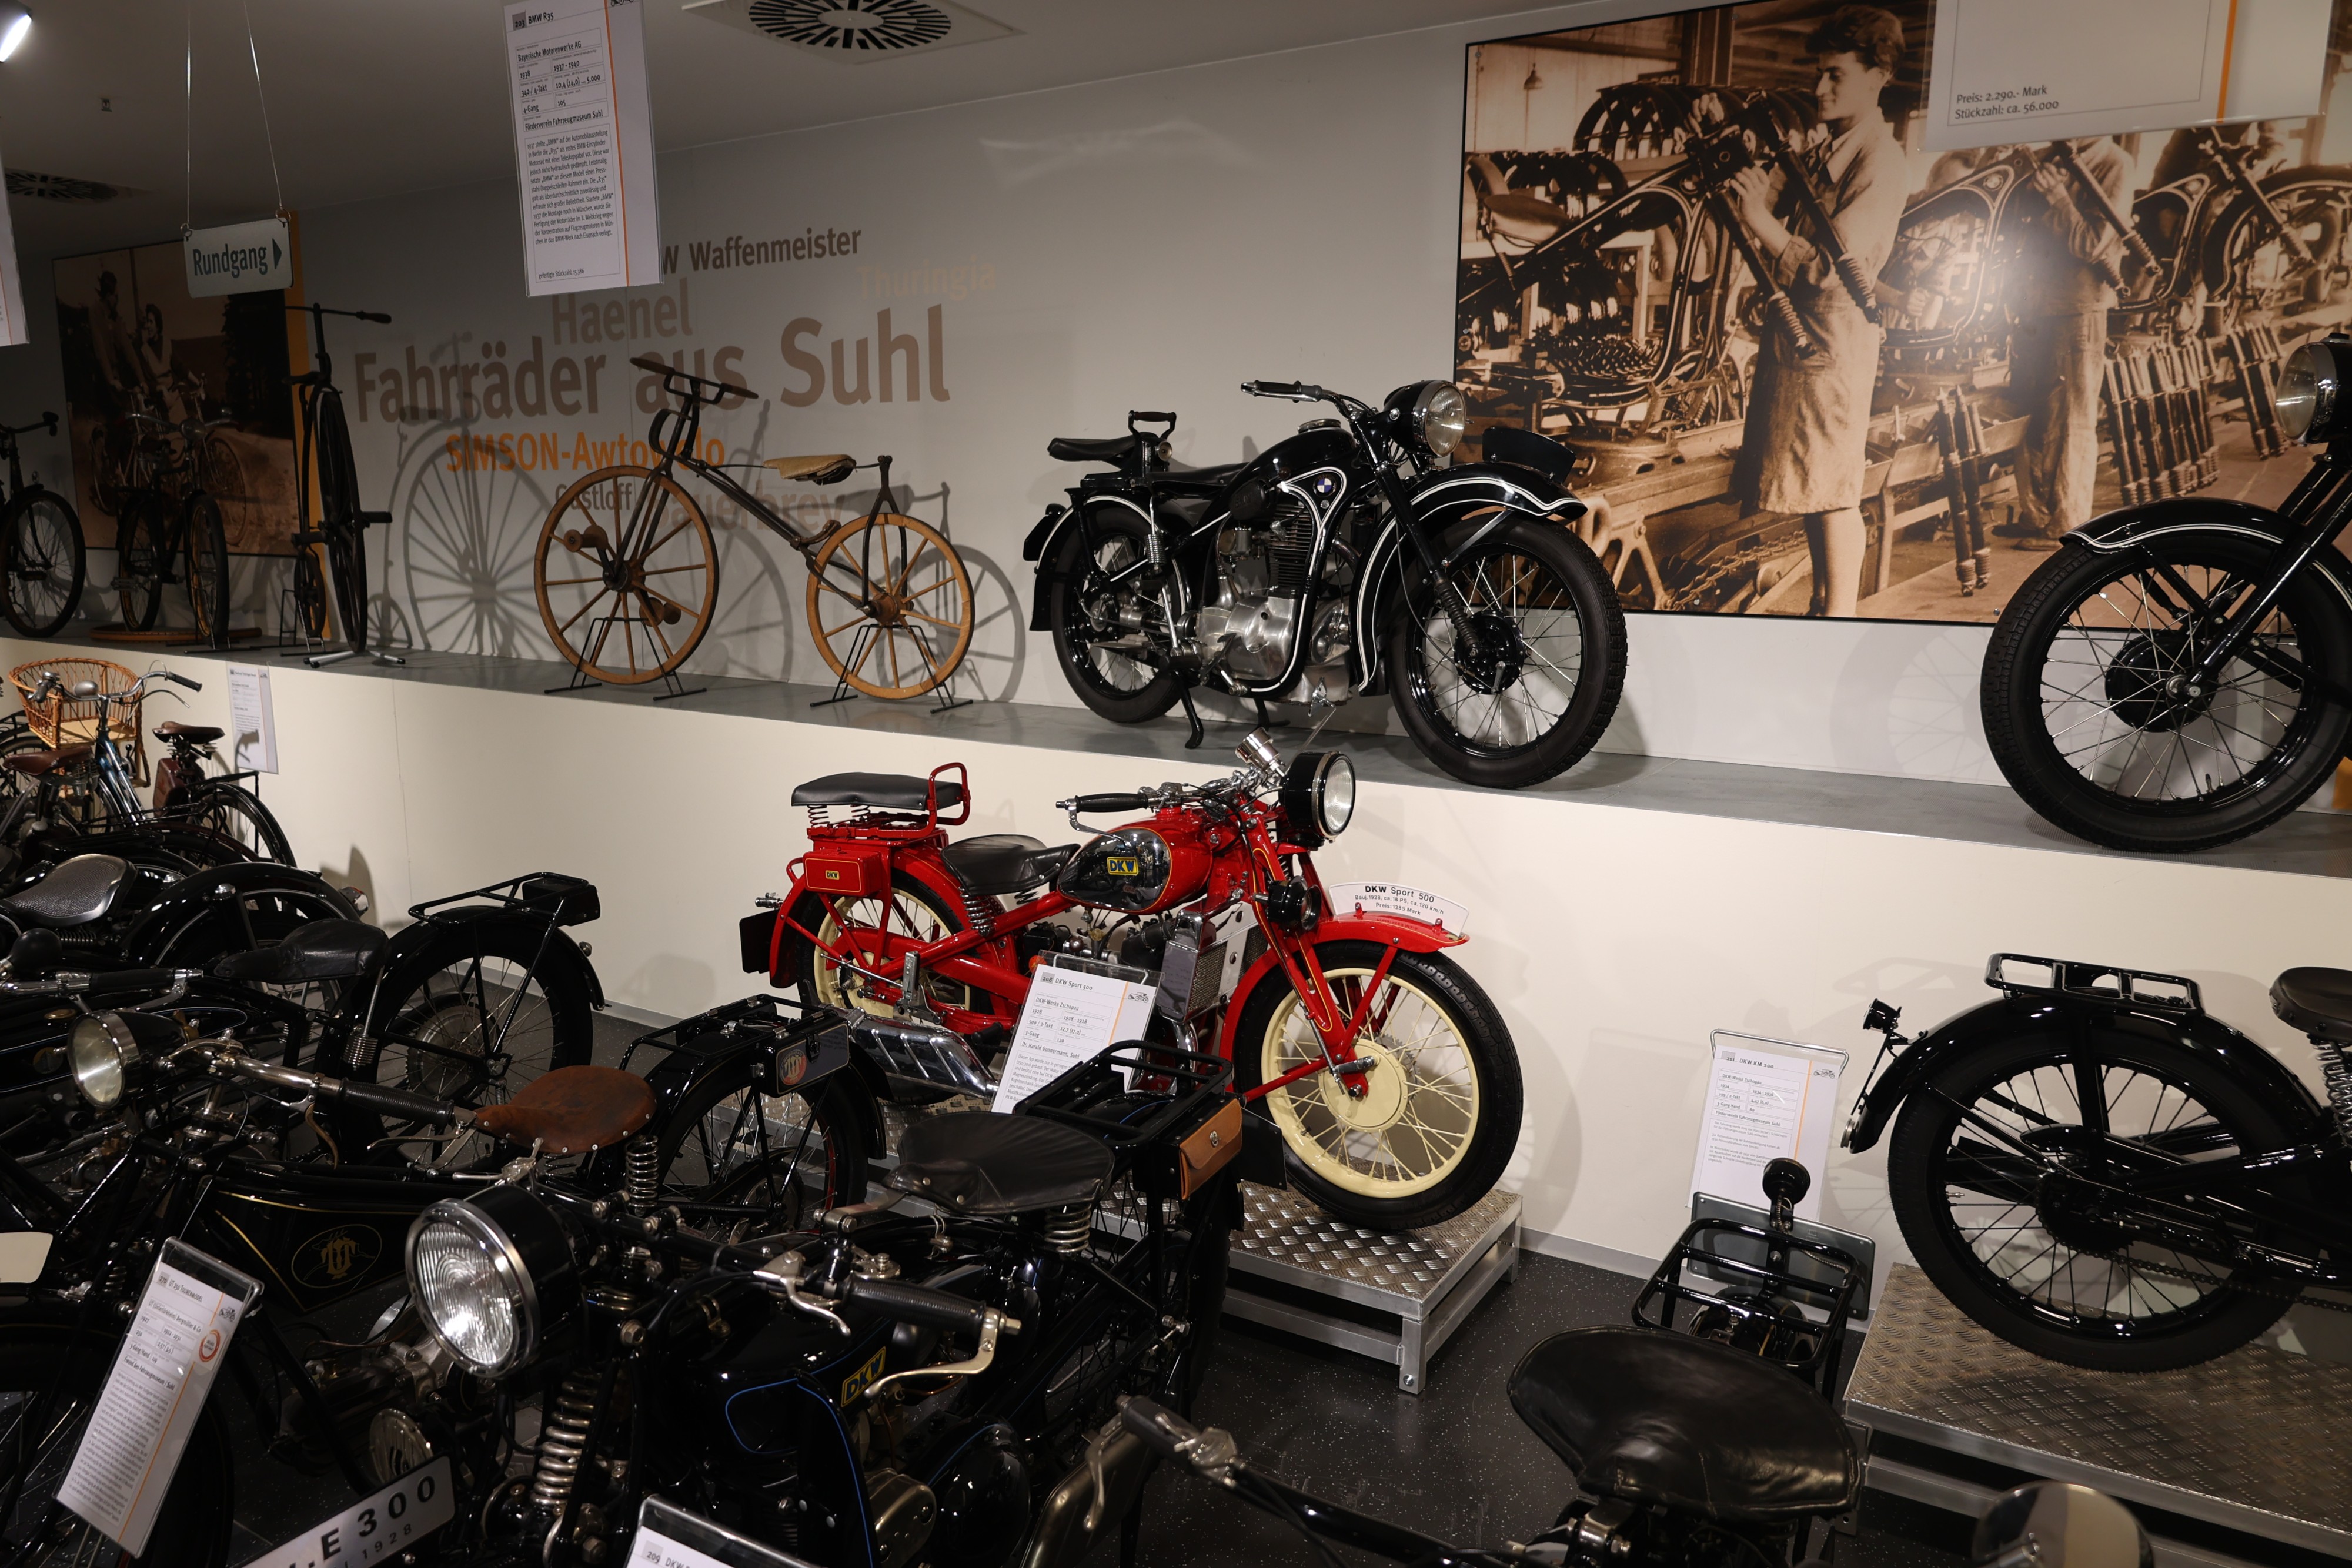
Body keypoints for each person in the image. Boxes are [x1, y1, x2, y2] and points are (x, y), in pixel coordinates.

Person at [1726, 5, 1910, 618]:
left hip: (1832, 344)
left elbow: (1833, 267)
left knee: (1833, 493)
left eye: (1836, 75)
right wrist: (1757, 187)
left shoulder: (1880, 160)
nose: (1819, 87)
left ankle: (1839, 615)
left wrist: (1759, 219)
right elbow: (1779, 212)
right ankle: (1825, 607)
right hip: (1804, 340)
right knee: (1815, 486)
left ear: (1877, 76)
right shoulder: (1826, 148)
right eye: (1818, 74)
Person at [1999, 136, 2130, 550]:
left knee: (2073, 419)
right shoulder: (2051, 159)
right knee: (2037, 415)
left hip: (2079, 309)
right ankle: (2036, 515)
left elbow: (2093, 244)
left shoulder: (2115, 164)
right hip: (2037, 307)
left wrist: (2056, 196)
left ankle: (2067, 524)